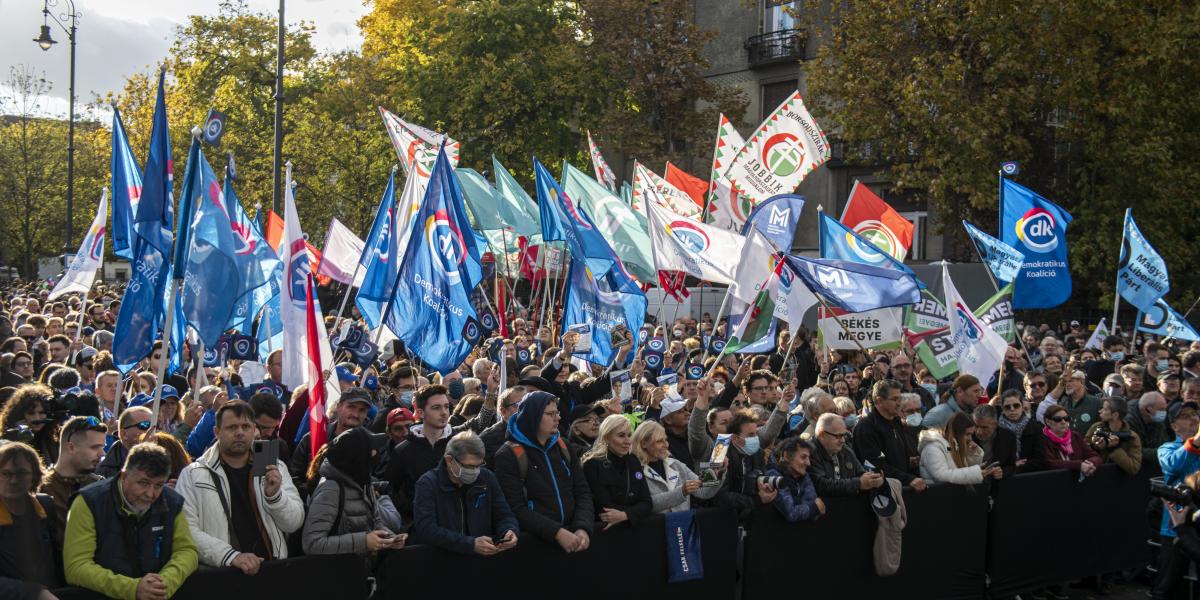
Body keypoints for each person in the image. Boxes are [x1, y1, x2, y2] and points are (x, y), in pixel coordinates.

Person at [176, 401, 304, 574]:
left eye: (245, 426)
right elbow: (187, 530)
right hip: (223, 576)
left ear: (254, 430)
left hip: (271, 571)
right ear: (217, 432)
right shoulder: (193, 474)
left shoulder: (273, 466)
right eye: (232, 427)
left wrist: (275, 497)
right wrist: (230, 556)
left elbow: (294, 523)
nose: (239, 433)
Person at [63, 443, 198, 599]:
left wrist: (164, 583)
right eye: (144, 483)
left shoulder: (172, 502)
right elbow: (76, 567)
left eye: (159, 485)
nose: (151, 494)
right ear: (124, 476)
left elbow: (187, 550)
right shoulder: (88, 502)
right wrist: (132, 589)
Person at [494, 391, 593, 553]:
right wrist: (556, 532)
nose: (558, 418)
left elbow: (582, 492)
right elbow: (515, 507)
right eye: (550, 414)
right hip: (536, 547)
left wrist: (583, 527)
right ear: (532, 417)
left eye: (557, 413)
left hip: (573, 538)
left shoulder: (564, 446)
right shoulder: (508, 455)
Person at [302, 428, 407, 556]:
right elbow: (312, 543)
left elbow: (374, 522)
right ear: (356, 457)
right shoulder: (330, 490)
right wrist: (364, 541)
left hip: (361, 568)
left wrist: (390, 539)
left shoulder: (363, 482)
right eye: (370, 450)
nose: (375, 453)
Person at [412, 431, 519, 555]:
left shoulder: (487, 477)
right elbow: (426, 529)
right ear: (449, 460)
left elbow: (504, 514)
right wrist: (469, 544)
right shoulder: (428, 483)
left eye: (479, 465)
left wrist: (509, 530)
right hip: (444, 560)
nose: (475, 471)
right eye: (469, 467)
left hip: (483, 559)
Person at [0, 441, 61, 595]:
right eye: (5, 474)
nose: (13, 480)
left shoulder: (45, 506)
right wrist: (34, 593)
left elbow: (56, 560)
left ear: (34, 476)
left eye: (21, 473)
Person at [387, 384, 454, 519]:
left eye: (446, 406)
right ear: (421, 412)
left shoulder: (459, 443)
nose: (443, 412)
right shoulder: (402, 451)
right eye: (436, 408)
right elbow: (392, 491)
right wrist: (417, 510)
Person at [38, 416, 106, 545]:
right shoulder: (41, 488)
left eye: (102, 447)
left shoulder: (100, 487)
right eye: (94, 447)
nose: (102, 453)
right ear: (71, 447)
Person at [291, 387, 372, 488]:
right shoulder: (312, 439)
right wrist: (313, 494)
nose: (356, 414)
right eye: (351, 407)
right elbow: (295, 478)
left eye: (362, 410)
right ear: (339, 407)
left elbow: (373, 479)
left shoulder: (369, 443)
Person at [630, 420, 718, 513]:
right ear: (644, 444)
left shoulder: (675, 464)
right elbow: (646, 504)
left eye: (666, 440)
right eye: (659, 441)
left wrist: (716, 473)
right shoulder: (634, 470)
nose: (666, 445)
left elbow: (703, 491)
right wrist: (681, 492)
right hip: (655, 526)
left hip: (682, 524)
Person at [853, 380, 926, 490]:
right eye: (895, 399)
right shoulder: (866, 428)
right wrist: (908, 479)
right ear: (879, 400)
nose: (899, 403)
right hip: (883, 494)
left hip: (902, 489)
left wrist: (908, 461)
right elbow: (875, 466)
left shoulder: (896, 421)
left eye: (900, 398)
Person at [582, 415, 652, 529]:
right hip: (606, 532)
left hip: (634, 529)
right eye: (621, 436)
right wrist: (635, 511)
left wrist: (625, 515)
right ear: (606, 438)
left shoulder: (633, 461)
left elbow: (647, 503)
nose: (627, 441)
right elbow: (604, 508)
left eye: (629, 435)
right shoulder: (592, 465)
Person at [715, 410, 775, 519]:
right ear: (735, 438)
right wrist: (756, 500)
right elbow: (718, 495)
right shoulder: (718, 451)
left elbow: (761, 477)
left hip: (749, 514)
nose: (755, 438)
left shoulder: (758, 451)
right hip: (721, 517)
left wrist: (767, 489)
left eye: (756, 433)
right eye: (751, 435)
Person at [809, 413, 884, 497]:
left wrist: (873, 479)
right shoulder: (810, 453)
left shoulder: (845, 450)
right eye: (838, 436)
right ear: (822, 434)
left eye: (844, 435)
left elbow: (860, 473)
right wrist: (858, 483)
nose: (843, 440)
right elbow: (821, 486)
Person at [1157, 400, 1200, 542]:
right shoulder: (1166, 449)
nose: (1193, 418)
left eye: (1194, 414)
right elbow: (1173, 464)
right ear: (1174, 426)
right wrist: (1195, 442)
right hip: (1176, 529)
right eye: (1185, 416)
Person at [919, 412, 1000, 485]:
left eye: (971, 434)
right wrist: (977, 473)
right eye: (967, 434)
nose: (970, 438)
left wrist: (972, 454)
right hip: (938, 497)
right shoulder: (932, 447)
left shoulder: (955, 444)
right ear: (956, 432)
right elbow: (941, 476)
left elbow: (964, 472)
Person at [764, 437, 825, 522]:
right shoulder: (773, 475)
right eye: (803, 457)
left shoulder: (803, 475)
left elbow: (814, 513)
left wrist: (802, 506)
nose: (808, 463)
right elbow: (791, 513)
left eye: (809, 458)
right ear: (786, 456)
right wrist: (814, 508)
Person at [0, 384, 58, 465]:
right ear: (20, 415)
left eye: (42, 413)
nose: (37, 418)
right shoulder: (7, 440)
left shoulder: (54, 438)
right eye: (31, 413)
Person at [1084, 396, 1142, 475]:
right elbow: (1083, 451)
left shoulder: (1132, 437)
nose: (1100, 411)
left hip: (1119, 480)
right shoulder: (1096, 428)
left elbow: (1133, 468)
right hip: (1095, 476)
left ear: (1115, 415)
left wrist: (1115, 448)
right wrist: (1096, 446)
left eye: (1104, 409)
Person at [1039, 404, 1102, 476]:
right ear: (1048, 421)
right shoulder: (1042, 439)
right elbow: (1049, 463)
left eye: (1066, 418)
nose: (1063, 422)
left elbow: (1095, 456)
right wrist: (1079, 465)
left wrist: (1090, 464)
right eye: (1057, 419)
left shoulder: (1075, 436)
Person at [96, 406, 153, 479]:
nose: (151, 431)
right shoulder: (105, 470)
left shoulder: (162, 459)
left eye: (155, 426)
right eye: (145, 425)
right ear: (124, 434)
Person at [972, 404, 1017, 478]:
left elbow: (1011, 466)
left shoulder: (1008, 437)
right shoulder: (967, 437)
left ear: (995, 424)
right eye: (976, 426)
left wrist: (1002, 471)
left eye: (984, 427)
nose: (979, 432)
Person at [1127, 391, 1168, 462]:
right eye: (1161, 409)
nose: (1164, 412)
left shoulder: (1156, 419)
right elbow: (1133, 451)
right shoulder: (1129, 421)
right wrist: (1163, 453)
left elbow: (1162, 441)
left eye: (1165, 409)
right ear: (1147, 410)